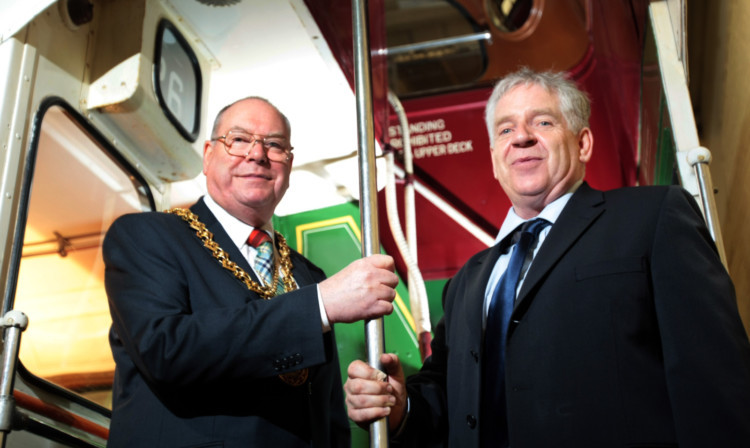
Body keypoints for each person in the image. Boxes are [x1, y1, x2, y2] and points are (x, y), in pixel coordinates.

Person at [344, 68, 750, 447]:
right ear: (494, 157)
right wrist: (402, 407)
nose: (521, 137)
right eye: (506, 128)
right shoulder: (466, 282)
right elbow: (448, 401)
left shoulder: (652, 217)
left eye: (542, 122)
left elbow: (715, 379)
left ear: (582, 142)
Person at [104, 96, 399, 447]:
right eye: (239, 139)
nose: (257, 154)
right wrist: (318, 307)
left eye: (274, 145)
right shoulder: (148, 236)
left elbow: (327, 411)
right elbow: (165, 350)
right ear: (209, 155)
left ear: (288, 165)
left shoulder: (309, 275)